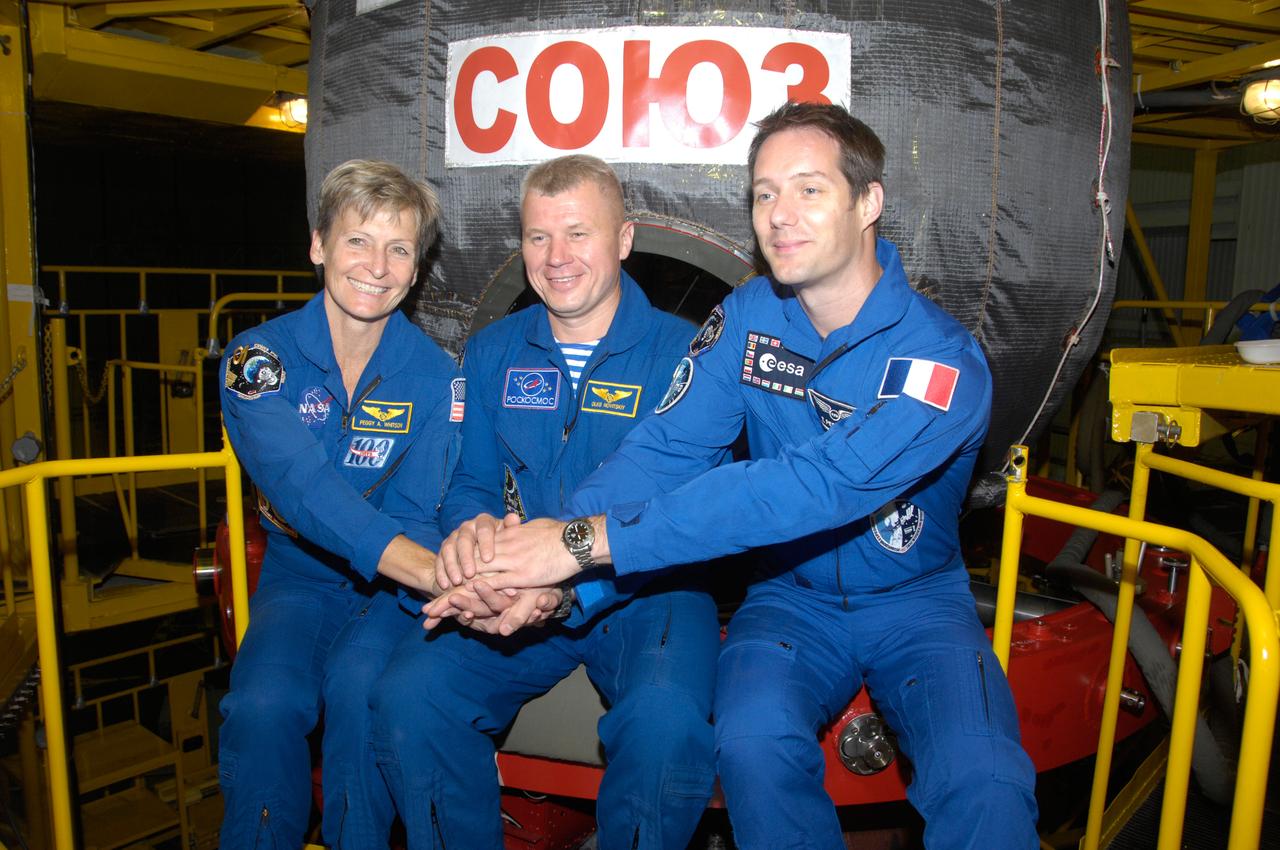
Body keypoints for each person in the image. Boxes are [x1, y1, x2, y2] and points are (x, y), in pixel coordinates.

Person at [431, 103, 1040, 849]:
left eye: (808, 190)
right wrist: (554, 571)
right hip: (791, 601)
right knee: (750, 746)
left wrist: (583, 543)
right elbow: (666, 451)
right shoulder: (747, 320)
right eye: (763, 194)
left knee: (985, 783)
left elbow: (812, 488)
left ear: (869, 202)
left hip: (916, 602)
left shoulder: (940, 362)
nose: (779, 215)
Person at [370, 154, 722, 850]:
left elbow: (682, 516)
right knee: (410, 698)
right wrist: (471, 540)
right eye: (537, 237)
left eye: (578, 234)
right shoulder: (495, 348)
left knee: (665, 727)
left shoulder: (687, 357)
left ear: (624, 240)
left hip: (651, 589)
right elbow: (469, 479)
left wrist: (558, 589)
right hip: (516, 584)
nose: (556, 258)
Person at [217, 159, 463, 849]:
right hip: (303, 580)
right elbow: (302, 487)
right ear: (319, 244)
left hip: (391, 593)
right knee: (263, 706)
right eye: (358, 241)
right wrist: (434, 572)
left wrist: (416, 574)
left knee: (362, 699)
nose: (377, 266)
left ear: (416, 270)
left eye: (399, 249)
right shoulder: (257, 360)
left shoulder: (437, 376)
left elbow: (421, 506)